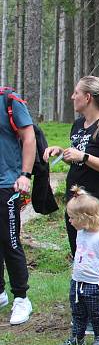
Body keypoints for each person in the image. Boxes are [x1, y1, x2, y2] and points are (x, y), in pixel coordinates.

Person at [43, 76, 99, 326]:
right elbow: (80, 157)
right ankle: (88, 310)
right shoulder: (79, 124)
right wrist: (63, 153)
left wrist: (84, 156)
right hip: (76, 202)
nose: (72, 97)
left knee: (97, 258)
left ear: (88, 97)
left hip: (98, 204)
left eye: (76, 92)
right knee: (80, 255)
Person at [57, 188, 99, 345]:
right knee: (78, 312)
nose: (70, 221)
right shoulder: (81, 232)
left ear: (85, 219)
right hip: (78, 281)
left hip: (94, 282)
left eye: (72, 218)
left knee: (96, 312)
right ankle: (77, 338)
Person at [0, 88, 35, 325]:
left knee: (10, 241)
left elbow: (29, 137)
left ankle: (22, 298)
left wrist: (25, 174)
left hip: (7, 183)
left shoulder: (8, 100)